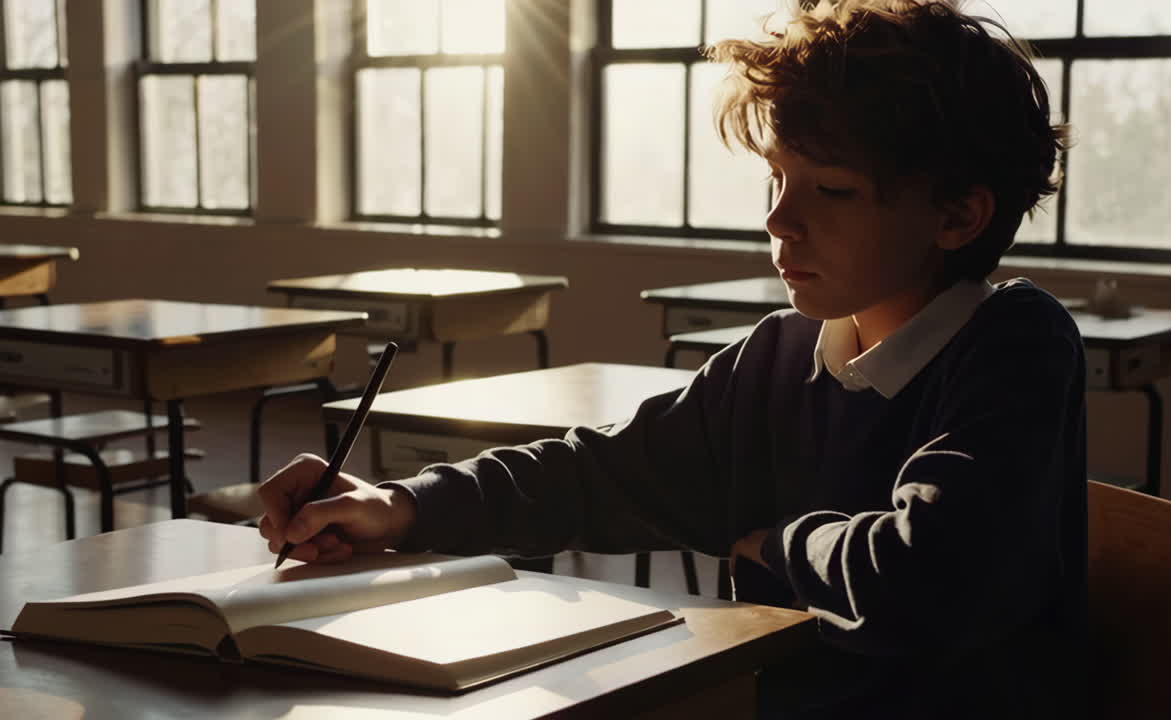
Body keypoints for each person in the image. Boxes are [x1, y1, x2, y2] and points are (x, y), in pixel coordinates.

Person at [258, 1, 1085, 716]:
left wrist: (778, 547)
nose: (779, 220)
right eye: (776, 179)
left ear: (958, 216)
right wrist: (399, 506)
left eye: (830, 190)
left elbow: (934, 575)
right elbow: (602, 474)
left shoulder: (1013, 342)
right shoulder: (782, 353)